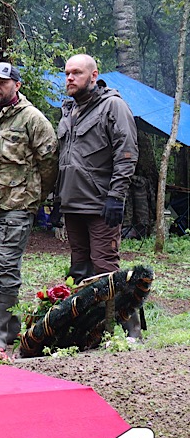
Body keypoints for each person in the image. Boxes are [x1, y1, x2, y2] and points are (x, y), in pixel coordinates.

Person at [0, 62, 58, 349]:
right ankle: (13, 325)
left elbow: (49, 164)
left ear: (16, 85)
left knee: (6, 268)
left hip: (16, 207)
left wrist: (33, 197)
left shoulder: (32, 119)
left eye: (2, 82)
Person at [56, 54, 139, 335]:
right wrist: (58, 199)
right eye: (67, 73)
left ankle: (131, 330)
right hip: (73, 203)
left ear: (93, 75)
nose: (69, 78)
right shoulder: (68, 110)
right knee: (79, 270)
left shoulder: (112, 106)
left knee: (106, 271)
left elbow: (127, 153)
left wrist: (116, 196)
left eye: (76, 73)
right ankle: (88, 329)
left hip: (101, 204)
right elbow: (63, 158)